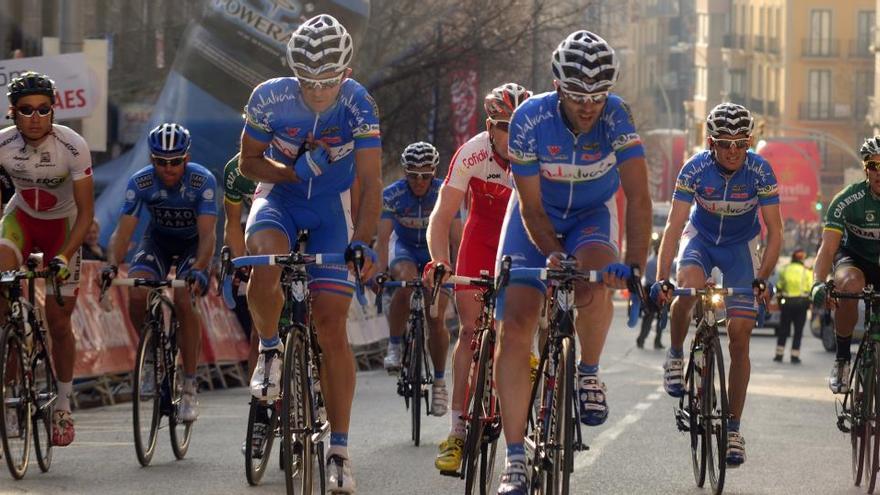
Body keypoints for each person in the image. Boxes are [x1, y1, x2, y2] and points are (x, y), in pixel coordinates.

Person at [494, 31, 651, 494]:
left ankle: (588, 372)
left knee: (596, 279)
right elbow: (530, 208)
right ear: (558, 87)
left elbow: (639, 198)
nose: (589, 106)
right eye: (579, 96)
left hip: (590, 216)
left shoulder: (617, 116)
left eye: (598, 97)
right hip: (535, 219)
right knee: (518, 323)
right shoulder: (528, 120)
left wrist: (636, 265)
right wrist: (550, 253)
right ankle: (515, 456)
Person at [239, 14, 382, 493]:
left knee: (332, 326)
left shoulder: (359, 103)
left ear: (345, 72)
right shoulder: (270, 97)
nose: (318, 91)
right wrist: (296, 171)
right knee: (264, 259)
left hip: (332, 210)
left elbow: (371, 181)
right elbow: (248, 163)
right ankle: (269, 351)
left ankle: (339, 450)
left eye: (328, 82)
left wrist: (362, 240)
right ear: (293, 72)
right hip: (280, 197)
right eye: (308, 82)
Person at [653, 102, 782, 467]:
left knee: (740, 336)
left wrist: (763, 277)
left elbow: (776, 231)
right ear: (710, 143)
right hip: (701, 240)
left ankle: (735, 428)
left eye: (741, 143)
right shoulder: (694, 169)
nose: (733, 151)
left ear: (750, 142)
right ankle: (676, 353)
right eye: (724, 143)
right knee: (687, 289)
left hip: (741, 248)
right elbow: (675, 227)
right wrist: (663, 278)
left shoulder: (760, 171)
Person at [425, 82, 530, 473]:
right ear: (490, 125)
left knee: (519, 331)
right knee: (470, 333)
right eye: (504, 126)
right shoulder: (472, 153)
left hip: (522, 244)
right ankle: (456, 430)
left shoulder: (534, 152)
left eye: (518, 125)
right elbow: (442, 214)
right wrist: (439, 261)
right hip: (480, 242)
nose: (512, 135)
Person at [0, 71, 94, 446]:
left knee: (58, 321)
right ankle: (9, 390)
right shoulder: (3, 145)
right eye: (26, 110)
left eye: (43, 109)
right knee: (3, 304)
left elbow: (86, 213)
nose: (35, 117)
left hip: (64, 227)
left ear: (54, 111)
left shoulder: (72, 146)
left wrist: (65, 255)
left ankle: (63, 405)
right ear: (13, 112)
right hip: (21, 218)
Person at [105, 122, 216, 423]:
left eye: (176, 161)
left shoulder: (202, 181)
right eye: (161, 162)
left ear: (186, 158)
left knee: (183, 299)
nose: (168, 168)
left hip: (194, 245)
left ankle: (190, 386)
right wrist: (112, 265)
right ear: (152, 160)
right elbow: (123, 230)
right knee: (137, 291)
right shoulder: (140, 182)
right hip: (158, 241)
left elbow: (208, 236)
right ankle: (152, 352)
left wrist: (200, 269)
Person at [375, 141, 459, 411]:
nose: (420, 181)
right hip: (406, 250)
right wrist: (380, 271)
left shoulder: (444, 193)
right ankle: (395, 345)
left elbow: (457, 237)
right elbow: (383, 238)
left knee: (435, 316)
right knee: (404, 283)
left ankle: (439, 383)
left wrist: (458, 269)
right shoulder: (393, 194)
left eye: (426, 175)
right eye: (413, 175)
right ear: (405, 172)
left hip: (436, 252)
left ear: (435, 171)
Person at [812, 136, 880, 395]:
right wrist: (817, 284)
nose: (879, 173)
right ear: (865, 169)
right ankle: (842, 359)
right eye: (874, 166)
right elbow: (827, 248)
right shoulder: (847, 200)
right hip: (853, 258)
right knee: (850, 285)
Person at [774, 248, 812, 364]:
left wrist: (780, 302)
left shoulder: (784, 270)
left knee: (784, 329)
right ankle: (794, 356)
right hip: (801, 304)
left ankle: (779, 355)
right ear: (803, 259)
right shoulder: (807, 272)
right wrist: (810, 303)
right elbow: (811, 288)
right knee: (798, 331)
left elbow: (779, 286)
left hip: (787, 303)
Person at [637, 233, 664, 349]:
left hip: (651, 290)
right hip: (656, 290)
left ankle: (642, 339)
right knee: (657, 318)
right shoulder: (656, 262)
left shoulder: (650, 260)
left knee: (650, 317)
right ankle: (653, 341)